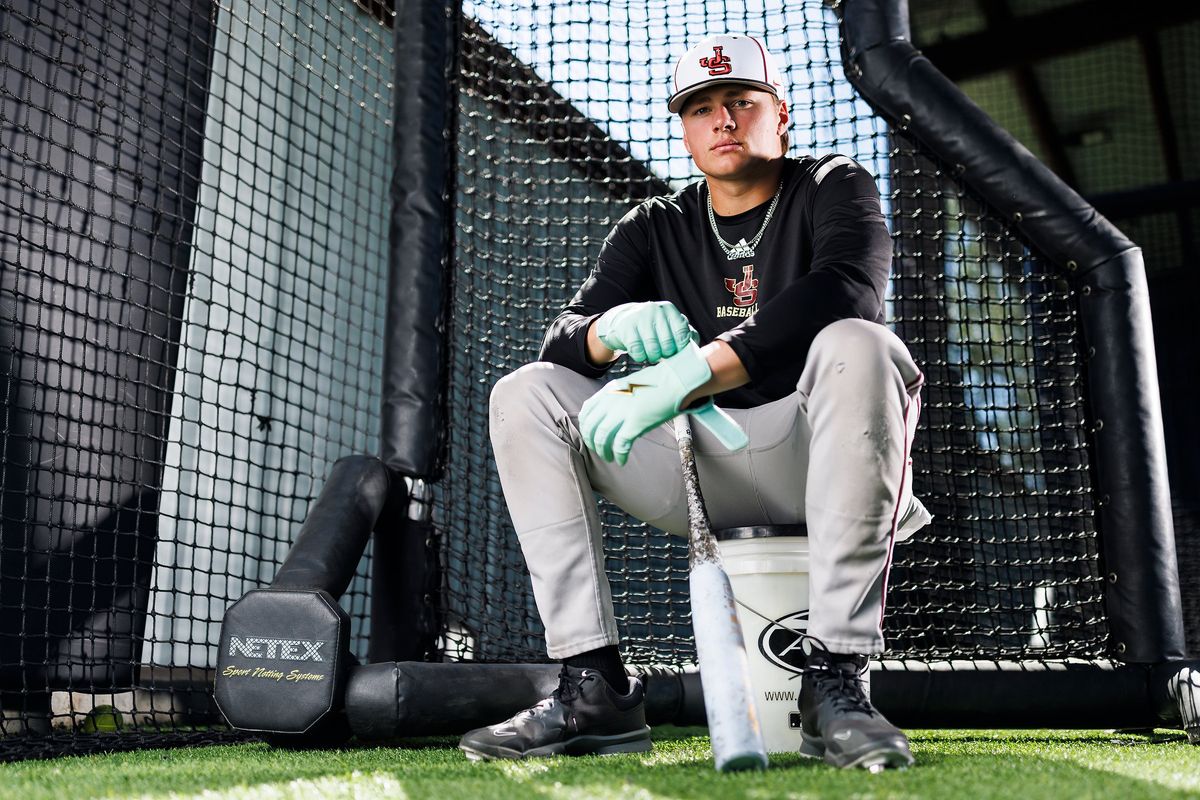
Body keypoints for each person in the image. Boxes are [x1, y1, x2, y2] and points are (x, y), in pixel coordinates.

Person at [458, 33, 930, 770]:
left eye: (743, 101)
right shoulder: (655, 223)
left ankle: (836, 680)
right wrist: (607, 336)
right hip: (695, 468)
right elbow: (561, 340)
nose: (723, 120)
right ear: (684, 128)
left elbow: (849, 287)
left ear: (781, 114)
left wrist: (694, 370)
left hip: (819, 454)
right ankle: (594, 687)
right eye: (702, 107)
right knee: (525, 394)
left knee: (862, 345)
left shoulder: (833, 183)